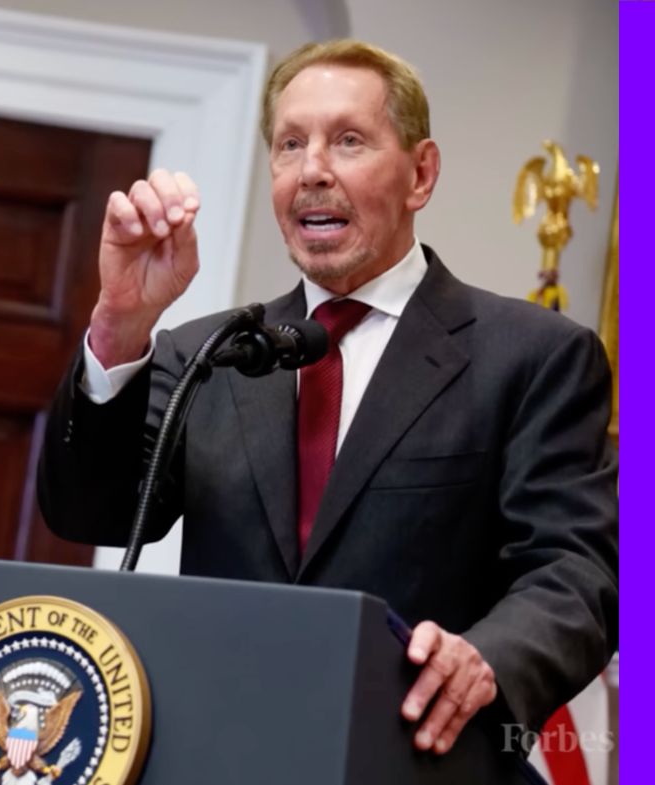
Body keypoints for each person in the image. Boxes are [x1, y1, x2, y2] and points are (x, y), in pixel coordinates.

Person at [36, 39, 616, 756]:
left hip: (410, 754)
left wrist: (486, 658)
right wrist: (119, 326)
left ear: (420, 174)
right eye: (290, 144)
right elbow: (89, 513)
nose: (312, 170)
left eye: (348, 141)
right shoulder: (207, 354)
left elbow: (576, 574)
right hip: (215, 750)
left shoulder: (531, 356)